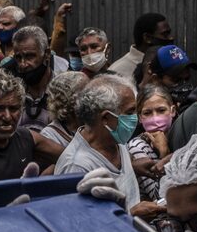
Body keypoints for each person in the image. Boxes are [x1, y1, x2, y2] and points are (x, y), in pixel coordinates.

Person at [54, 74, 142, 210]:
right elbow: (76, 223)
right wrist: (132, 215)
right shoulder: (76, 166)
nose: (136, 117)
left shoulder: (117, 139)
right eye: (130, 112)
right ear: (106, 118)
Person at [5, 26, 69, 131]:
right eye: (18, 58)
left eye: (30, 56)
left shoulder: (63, 93)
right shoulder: (11, 92)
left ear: (47, 54)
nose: (23, 64)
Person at [127, 83, 177, 201]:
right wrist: (164, 154)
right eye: (147, 113)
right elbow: (159, 196)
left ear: (172, 111)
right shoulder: (137, 146)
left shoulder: (179, 135)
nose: (155, 118)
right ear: (140, 117)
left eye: (161, 110)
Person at [110, 12, 173, 92]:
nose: (170, 38)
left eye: (169, 33)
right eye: (165, 34)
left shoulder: (168, 61)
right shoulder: (117, 72)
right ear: (147, 38)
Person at [39, 71, 88, 147]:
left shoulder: (90, 126)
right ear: (71, 99)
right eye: (86, 92)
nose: (92, 96)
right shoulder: (49, 136)